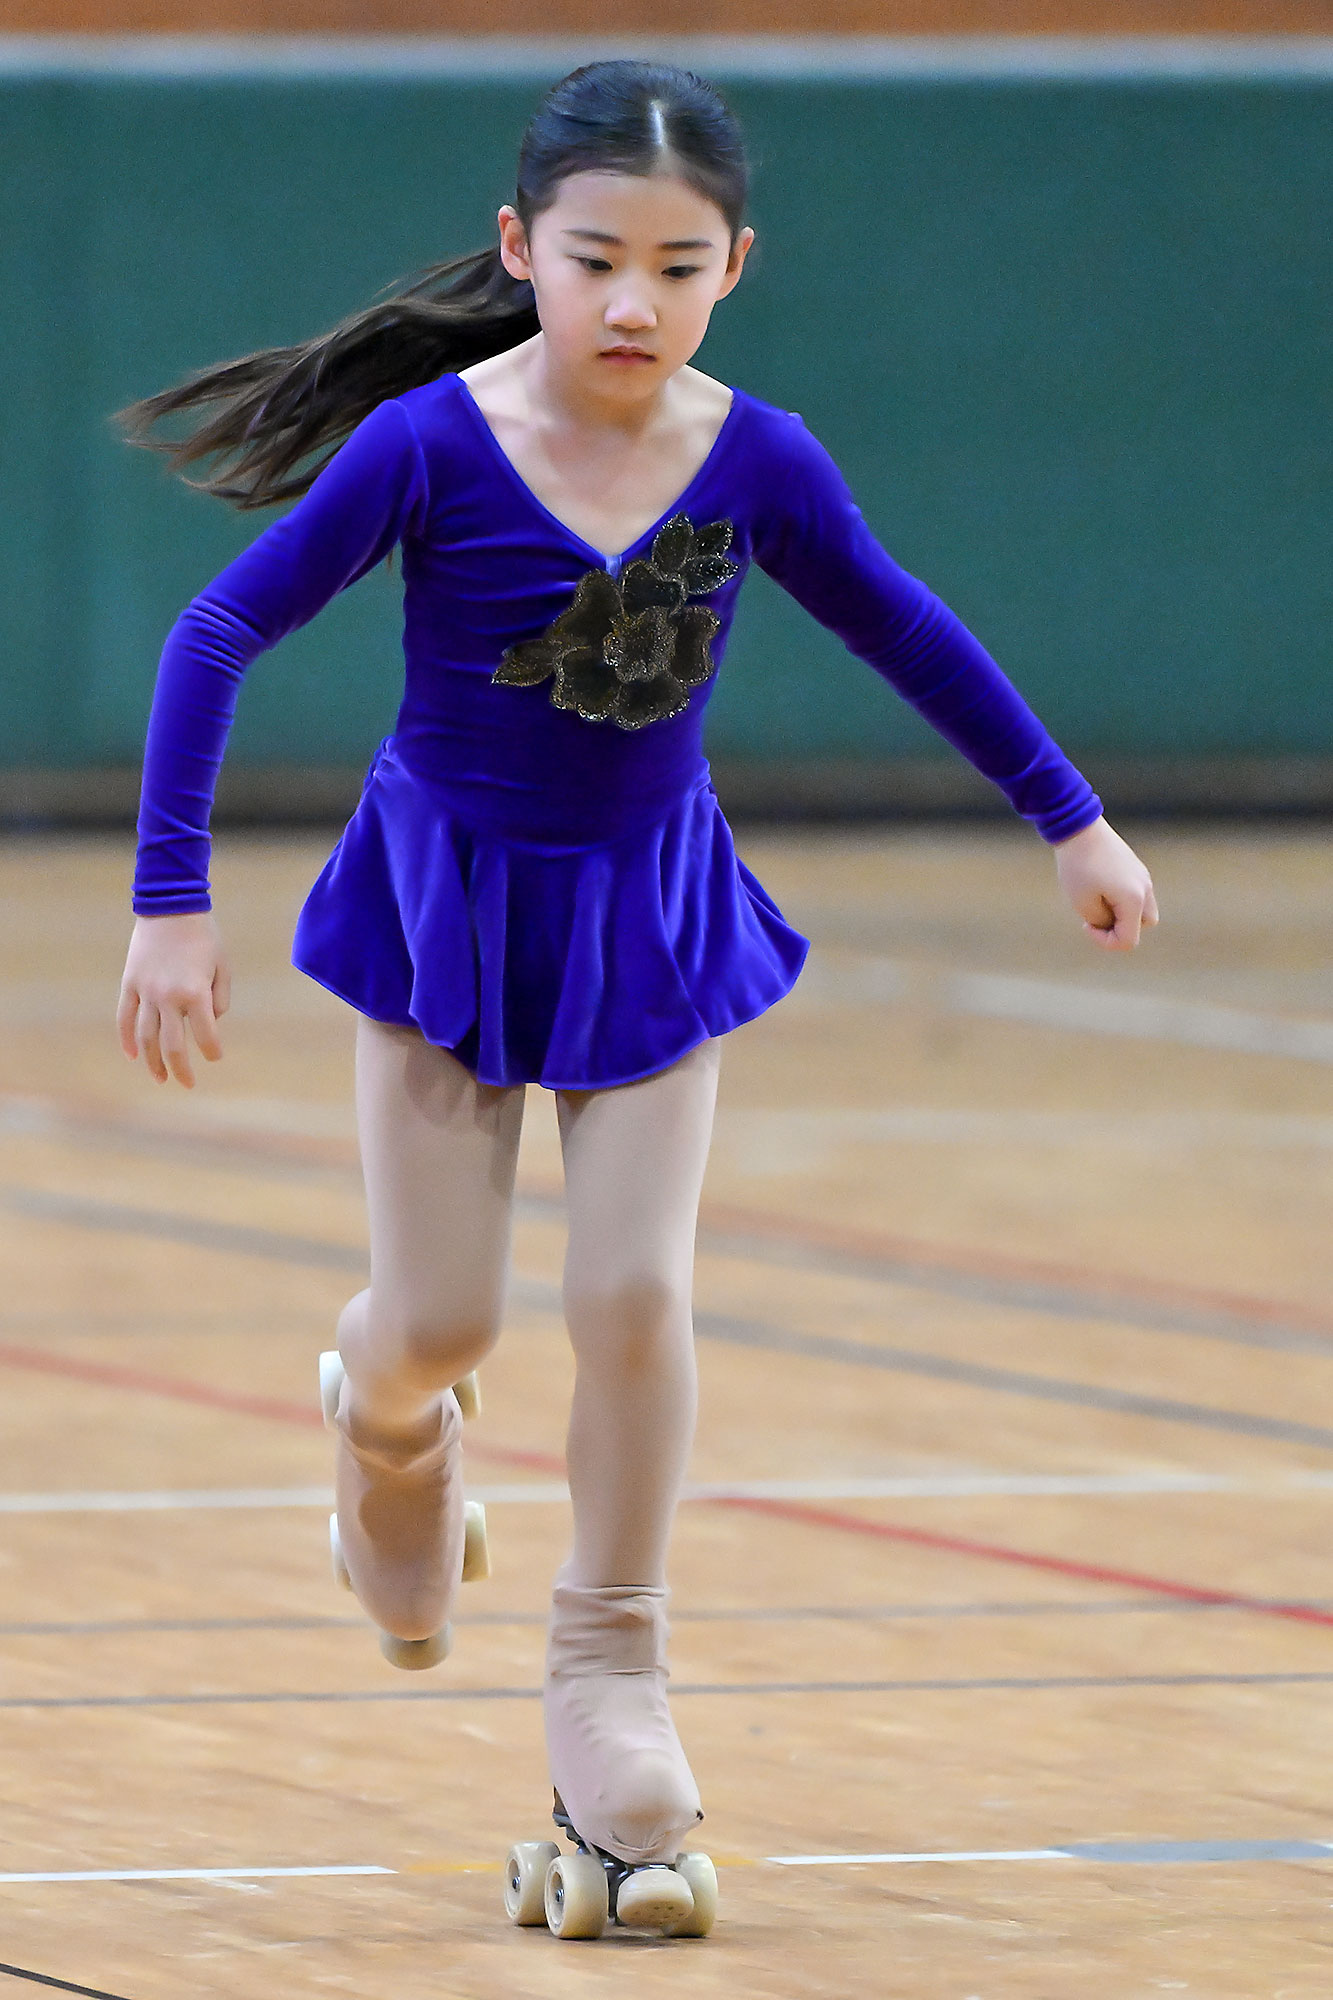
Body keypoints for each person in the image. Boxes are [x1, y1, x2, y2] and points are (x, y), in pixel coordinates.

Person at [114, 58, 1158, 1938]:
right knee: (442, 1317)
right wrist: (169, 900)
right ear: (521, 248)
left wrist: (1067, 816)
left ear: (732, 268)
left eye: (676, 269)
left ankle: (609, 1659)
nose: (631, 303)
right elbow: (218, 628)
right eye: (596, 259)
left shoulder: (759, 460)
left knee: (631, 1296)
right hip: (447, 909)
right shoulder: (428, 445)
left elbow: (904, 623)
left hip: (650, 915)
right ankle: (384, 1416)